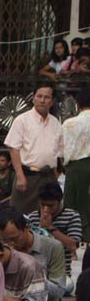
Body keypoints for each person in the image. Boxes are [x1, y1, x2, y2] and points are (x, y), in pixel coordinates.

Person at [4, 80, 63, 213]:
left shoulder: (56, 123)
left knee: (49, 215)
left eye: (46, 97)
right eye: (39, 96)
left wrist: (56, 176)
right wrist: (20, 176)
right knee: (19, 214)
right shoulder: (22, 120)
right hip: (27, 176)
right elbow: (13, 149)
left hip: (49, 177)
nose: (42, 100)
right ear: (33, 98)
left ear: (52, 101)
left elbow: (59, 152)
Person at [0, 206, 68, 301]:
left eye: (14, 239)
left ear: (26, 228)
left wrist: (32, 278)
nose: (10, 244)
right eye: (4, 240)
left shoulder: (52, 247)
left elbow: (58, 290)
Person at [28, 181, 81, 276]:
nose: (46, 209)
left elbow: (73, 246)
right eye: (43, 205)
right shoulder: (32, 217)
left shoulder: (72, 216)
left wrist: (50, 227)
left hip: (61, 273)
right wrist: (40, 228)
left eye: (50, 205)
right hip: (37, 273)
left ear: (59, 201)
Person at [62, 88, 90, 237]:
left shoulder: (69, 124)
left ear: (77, 104)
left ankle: (74, 238)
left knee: (73, 208)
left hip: (74, 167)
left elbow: (62, 150)